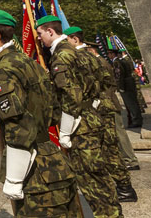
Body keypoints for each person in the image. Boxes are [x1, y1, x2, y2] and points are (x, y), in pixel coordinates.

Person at [0, 9, 80, 217]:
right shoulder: (29, 62)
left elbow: (19, 128)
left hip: (34, 173)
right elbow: (54, 111)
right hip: (53, 158)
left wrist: (14, 178)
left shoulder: (4, 69)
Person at [36, 16, 122, 217]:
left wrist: (65, 131)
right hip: (90, 118)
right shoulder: (76, 52)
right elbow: (97, 82)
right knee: (99, 176)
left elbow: (71, 95)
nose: (39, 38)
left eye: (40, 34)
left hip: (79, 126)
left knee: (91, 179)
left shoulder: (62, 56)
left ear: (50, 31)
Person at [65, 27, 137, 202]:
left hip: (102, 107)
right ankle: (123, 186)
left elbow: (106, 83)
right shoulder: (94, 59)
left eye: (66, 40)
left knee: (110, 149)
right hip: (102, 105)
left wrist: (96, 100)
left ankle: (124, 187)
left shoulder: (86, 59)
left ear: (74, 39)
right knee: (110, 149)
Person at [110, 45, 143, 128]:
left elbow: (119, 75)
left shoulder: (117, 62)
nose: (108, 55)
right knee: (133, 102)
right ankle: (137, 119)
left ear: (112, 54)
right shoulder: (122, 61)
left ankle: (136, 120)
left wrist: (120, 87)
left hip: (125, 84)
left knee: (130, 103)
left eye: (109, 54)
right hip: (129, 83)